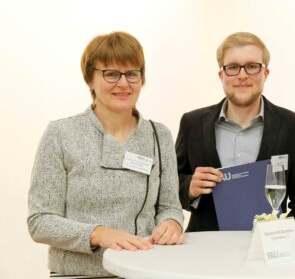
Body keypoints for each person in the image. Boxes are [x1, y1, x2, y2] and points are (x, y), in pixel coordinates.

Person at [27, 31, 185, 278]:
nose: (123, 83)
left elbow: (170, 207)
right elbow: (40, 222)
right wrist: (98, 234)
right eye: (111, 74)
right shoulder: (61, 134)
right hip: (78, 274)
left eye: (132, 74)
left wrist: (171, 224)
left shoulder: (159, 135)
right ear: (90, 79)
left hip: (145, 270)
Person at [176, 31, 295, 233]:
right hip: (204, 250)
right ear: (221, 75)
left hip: (268, 255)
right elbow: (169, 187)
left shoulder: (294, 127)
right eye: (233, 67)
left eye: (252, 66)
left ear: (265, 73)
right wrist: (189, 187)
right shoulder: (192, 123)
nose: (242, 75)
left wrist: (284, 237)